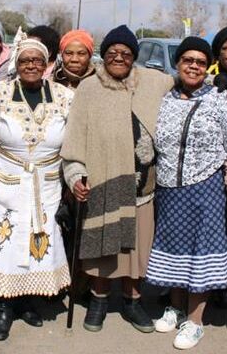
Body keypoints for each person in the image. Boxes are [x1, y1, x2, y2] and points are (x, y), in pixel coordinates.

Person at [61, 24, 174, 334]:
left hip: (142, 188)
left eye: (126, 53)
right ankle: (98, 300)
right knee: (103, 248)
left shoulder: (152, 81)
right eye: (112, 52)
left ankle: (132, 301)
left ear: (134, 57)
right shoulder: (89, 88)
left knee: (136, 250)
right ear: (104, 55)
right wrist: (75, 176)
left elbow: (184, 80)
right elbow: (73, 141)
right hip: (103, 182)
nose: (119, 57)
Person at [144, 37, 227, 350]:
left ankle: (195, 321)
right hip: (168, 189)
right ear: (178, 63)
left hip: (206, 188)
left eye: (201, 62)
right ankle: (175, 308)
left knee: (201, 253)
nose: (193, 66)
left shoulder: (219, 99)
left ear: (208, 66)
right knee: (174, 248)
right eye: (188, 60)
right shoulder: (165, 98)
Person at [0, 34, 74, 341]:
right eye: (25, 60)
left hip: (47, 183)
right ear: (16, 64)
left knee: (38, 239)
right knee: (7, 241)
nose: (31, 65)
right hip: (8, 180)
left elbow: (72, 145)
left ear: (46, 65)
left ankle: (28, 299)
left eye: (37, 61)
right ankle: (3, 306)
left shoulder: (65, 96)